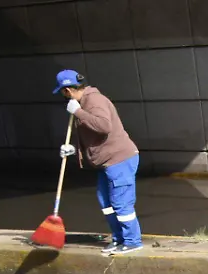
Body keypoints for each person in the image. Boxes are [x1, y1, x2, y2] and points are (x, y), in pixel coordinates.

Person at [53, 69, 143, 256]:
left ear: (67, 90)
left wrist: (78, 112)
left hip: (119, 159)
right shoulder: (82, 102)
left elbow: (103, 126)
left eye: (62, 92)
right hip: (105, 162)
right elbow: (91, 135)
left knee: (121, 203)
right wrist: (73, 149)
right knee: (106, 202)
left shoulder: (94, 101)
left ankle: (133, 241)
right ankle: (119, 239)